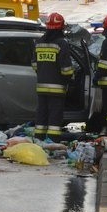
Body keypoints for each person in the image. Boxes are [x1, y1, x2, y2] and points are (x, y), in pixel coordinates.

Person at [31, 12, 75, 141]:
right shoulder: (62, 43)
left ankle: (38, 140)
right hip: (57, 89)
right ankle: (52, 143)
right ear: (61, 28)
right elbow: (66, 69)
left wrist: (43, 72)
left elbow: (34, 64)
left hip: (41, 87)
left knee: (41, 116)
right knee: (55, 118)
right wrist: (70, 79)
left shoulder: (39, 42)